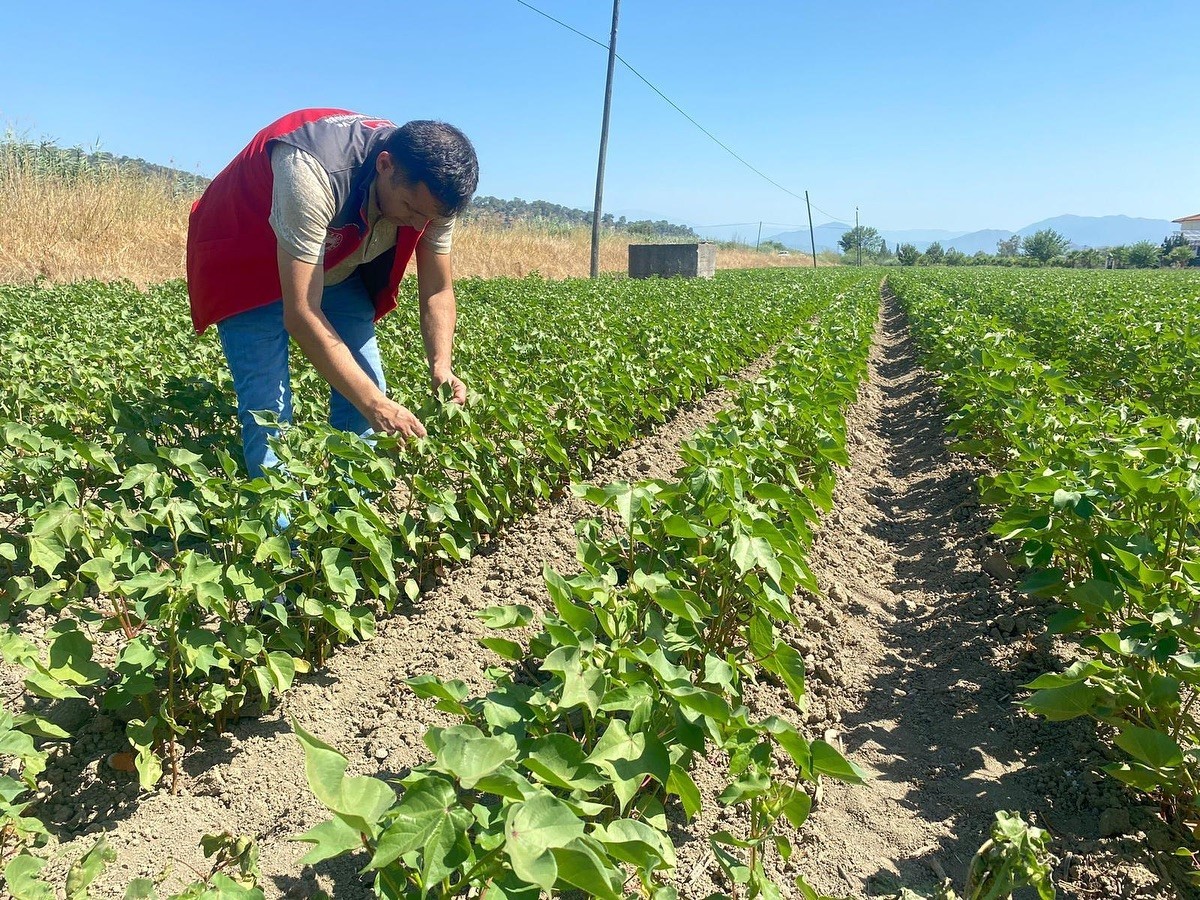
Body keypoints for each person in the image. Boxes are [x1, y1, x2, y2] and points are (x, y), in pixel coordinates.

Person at [186, 108, 479, 478]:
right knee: (268, 411)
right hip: (246, 256)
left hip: (333, 260)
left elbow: (437, 290)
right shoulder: (312, 172)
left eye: (431, 218)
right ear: (385, 166)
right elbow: (302, 313)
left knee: (366, 386)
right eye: (411, 208)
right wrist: (376, 405)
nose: (420, 226)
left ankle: (351, 520)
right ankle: (282, 533)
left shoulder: (433, 194)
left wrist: (441, 366)